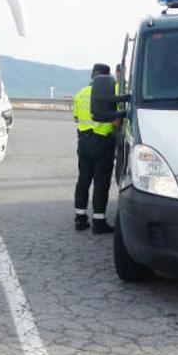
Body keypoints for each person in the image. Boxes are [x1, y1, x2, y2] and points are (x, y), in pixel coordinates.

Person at [72, 63, 117, 234]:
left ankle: (80, 219)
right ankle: (99, 222)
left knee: (83, 180)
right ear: (107, 78)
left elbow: (76, 118)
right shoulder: (109, 95)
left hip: (83, 141)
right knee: (101, 183)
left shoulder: (80, 94)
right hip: (102, 143)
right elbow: (117, 122)